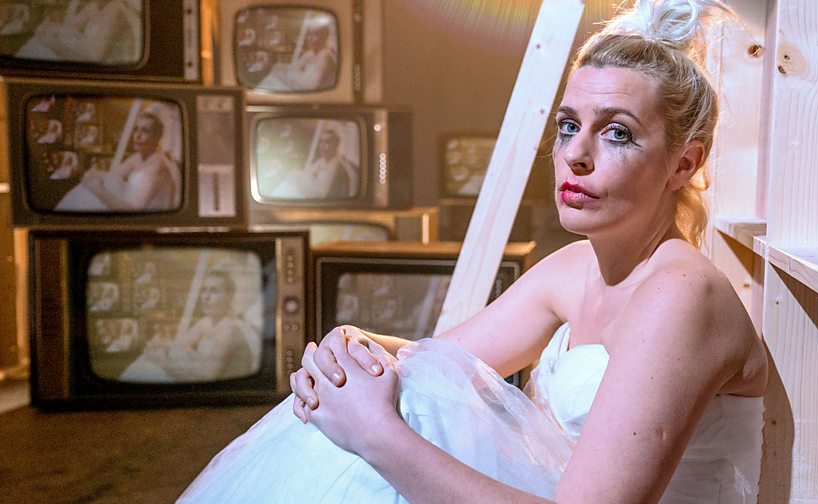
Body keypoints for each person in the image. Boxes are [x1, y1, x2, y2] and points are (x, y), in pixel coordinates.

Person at [179, 1, 768, 502]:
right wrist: (355, 349)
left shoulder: (681, 294)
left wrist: (377, 434)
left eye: (617, 132)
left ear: (684, 163)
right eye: (568, 126)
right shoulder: (576, 268)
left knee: (383, 431)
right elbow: (441, 362)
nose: (576, 154)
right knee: (395, 394)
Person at [124, 269, 258, 383]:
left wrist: (163, 361)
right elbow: (179, 346)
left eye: (214, 291)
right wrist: (161, 345)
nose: (206, 297)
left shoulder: (229, 332)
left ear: (229, 296)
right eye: (204, 290)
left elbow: (206, 382)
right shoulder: (206, 322)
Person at [54, 111, 179, 212]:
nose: (137, 135)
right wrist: (94, 174)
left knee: (94, 191)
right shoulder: (139, 157)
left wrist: (98, 190)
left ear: (157, 137)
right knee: (98, 183)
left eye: (145, 131)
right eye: (136, 129)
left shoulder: (156, 169)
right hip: (127, 204)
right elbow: (113, 175)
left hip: (139, 219)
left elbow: (132, 211)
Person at [15, 0, 140, 64]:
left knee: (36, 50)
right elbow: (69, 26)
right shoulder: (95, 5)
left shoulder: (115, 10)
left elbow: (93, 60)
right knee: (33, 45)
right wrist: (49, 28)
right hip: (63, 47)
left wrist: (53, 44)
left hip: (72, 56)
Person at [268, 126, 356, 200]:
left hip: (320, 205)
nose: (322, 145)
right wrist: (297, 176)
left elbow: (322, 194)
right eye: (321, 141)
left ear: (336, 144)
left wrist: (300, 183)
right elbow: (306, 174)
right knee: (289, 178)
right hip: (306, 195)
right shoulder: (322, 160)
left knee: (287, 185)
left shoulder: (335, 163)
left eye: (327, 142)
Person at [258, 22, 337, 92]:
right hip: (300, 86)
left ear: (324, 37)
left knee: (274, 80)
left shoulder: (325, 55)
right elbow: (294, 67)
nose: (310, 38)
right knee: (272, 77)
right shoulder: (311, 53)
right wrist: (276, 66)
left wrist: (281, 77)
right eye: (309, 34)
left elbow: (311, 88)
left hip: (309, 95)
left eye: (315, 34)